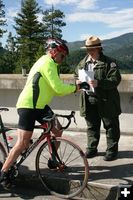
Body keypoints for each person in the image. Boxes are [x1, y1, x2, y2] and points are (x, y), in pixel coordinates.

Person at [0, 38, 82, 189]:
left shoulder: (53, 64)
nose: (63, 59)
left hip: (40, 105)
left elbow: (53, 87)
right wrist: (76, 87)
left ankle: (52, 159)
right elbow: (58, 89)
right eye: (62, 56)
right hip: (28, 106)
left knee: (57, 130)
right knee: (23, 143)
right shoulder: (47, 63)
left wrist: (73, 87)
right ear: (54, 51)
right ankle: (4, 172)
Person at [75, 35, 121, 161]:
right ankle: (91, 149)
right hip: (89, 99)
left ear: (99, 49)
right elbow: (75, 75)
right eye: (88, 49)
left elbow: (115, 80)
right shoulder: (83, 63)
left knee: (111, 126)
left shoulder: (109, 63)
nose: (90, 51)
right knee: (92, 126)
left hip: (106, 100)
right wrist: (77, 81)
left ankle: (111, 150)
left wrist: (99, 83)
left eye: (93, 49)